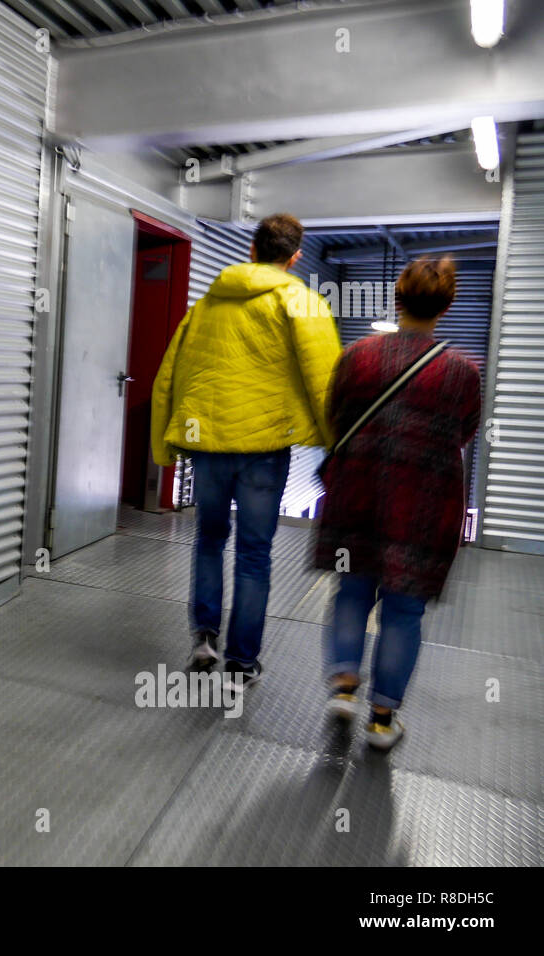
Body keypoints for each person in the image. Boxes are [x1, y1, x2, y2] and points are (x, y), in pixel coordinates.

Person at [151, 213, 340, 689]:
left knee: (209, 541)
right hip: (264, 447)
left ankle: (203, 638)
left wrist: (165, 443)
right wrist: (335, 442)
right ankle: (241, 662)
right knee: (255, 554)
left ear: (252, 249)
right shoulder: (301, 300)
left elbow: (170, 371)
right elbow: (325, 380)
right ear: (294, 257)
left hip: (209, 444)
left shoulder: (208, 303)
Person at [314, 256, 481, 750]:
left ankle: (343, 686)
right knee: (404, 611)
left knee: (351, 590)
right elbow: (464, 433)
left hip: (357, 493)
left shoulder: (357, 356)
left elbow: (335, 415)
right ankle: (382, 720)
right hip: (423, 504)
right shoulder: (462, 371)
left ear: (397, 298)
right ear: (446, 306)